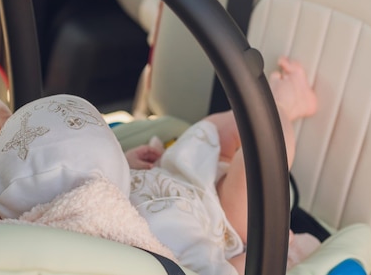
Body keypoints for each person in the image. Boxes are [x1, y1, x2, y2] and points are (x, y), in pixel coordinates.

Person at [123, 56, 320, 274]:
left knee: (213, 132)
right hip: (221, 220)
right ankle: (282, 103)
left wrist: (126, 162)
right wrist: (268, 249)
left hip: (171, 174)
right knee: (262, 157)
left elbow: (96, 176)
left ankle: (260, 108)